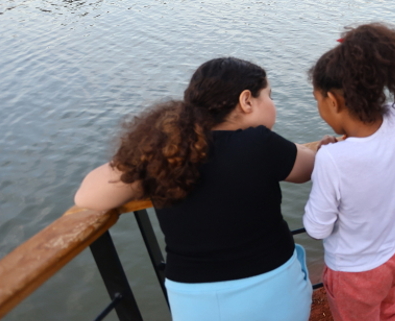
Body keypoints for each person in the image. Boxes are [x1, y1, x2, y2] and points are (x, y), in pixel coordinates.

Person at [74, 57, 321, 321]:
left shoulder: (166, 155)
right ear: (246, 101)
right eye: (269, 96)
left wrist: (146, 162)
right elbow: (311, 167)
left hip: (192, 301)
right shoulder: (260, 143)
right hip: (270, 290)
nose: (274, 105)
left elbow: (86, 196)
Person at [303, 23, 395, 321]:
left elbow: (317, 228)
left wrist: (326, 157)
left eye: (318, 101)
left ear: (333, 100)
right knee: (392, 307)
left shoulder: (331, 158)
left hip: (354, 273)